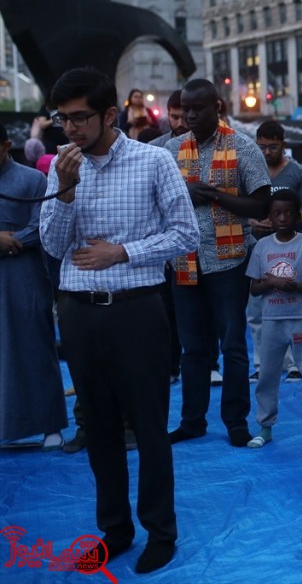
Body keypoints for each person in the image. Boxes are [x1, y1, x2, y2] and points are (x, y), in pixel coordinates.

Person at [40, 67, 199, 574]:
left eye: (79, 118)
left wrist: (122, 252)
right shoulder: (62, 167)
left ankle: (160, 532)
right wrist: (65, 192)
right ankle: (115, 530)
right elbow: (52, 245)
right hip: (79, 312)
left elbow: (186, 233)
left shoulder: (154, 161)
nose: (71, 128)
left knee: (149, 426)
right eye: (63, 119)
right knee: (99, 426)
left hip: (137, 309)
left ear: (109, 114)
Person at [164, 78, 271, 447]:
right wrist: (185, 192)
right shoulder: (170, 149)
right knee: (193, 349)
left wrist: (212, 195)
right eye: (186, 109)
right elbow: (158, 199)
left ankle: (236, 421)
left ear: (217, 108)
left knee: (233, 346)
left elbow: (262, 205)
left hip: (229, 262)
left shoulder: (243, 147)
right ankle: (192, 421)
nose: (190, 116)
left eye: (198, 108)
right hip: (184, 262)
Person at [0, 122, 67, 450]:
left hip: (23, 270)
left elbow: (42, 224)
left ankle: (49, 424)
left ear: (6, 145)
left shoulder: (32, 179)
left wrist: (9, 242)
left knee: (35, 345)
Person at [245, 189, 302, 449]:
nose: (282, 218)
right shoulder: (262, 247)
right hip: (271, 320)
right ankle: (265, 426)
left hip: (301, 318)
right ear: (269, 217)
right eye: (277, 213)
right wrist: (271, 282)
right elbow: (254, 288)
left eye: (289, 213)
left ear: (298, 216)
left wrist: (293, 286)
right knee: (267, 376)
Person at [247, 120, 302, 383]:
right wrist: (253, 221)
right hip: (258, 248)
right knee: (257, 310)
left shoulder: (300, 173)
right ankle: (262, 363)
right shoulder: (251, 170)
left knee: (295, 305)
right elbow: (243, 206)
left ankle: (297, 362)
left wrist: (284, 222)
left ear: (283, 145)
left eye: (272, 147)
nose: (266, 152)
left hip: (292, 247)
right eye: (261, 146)